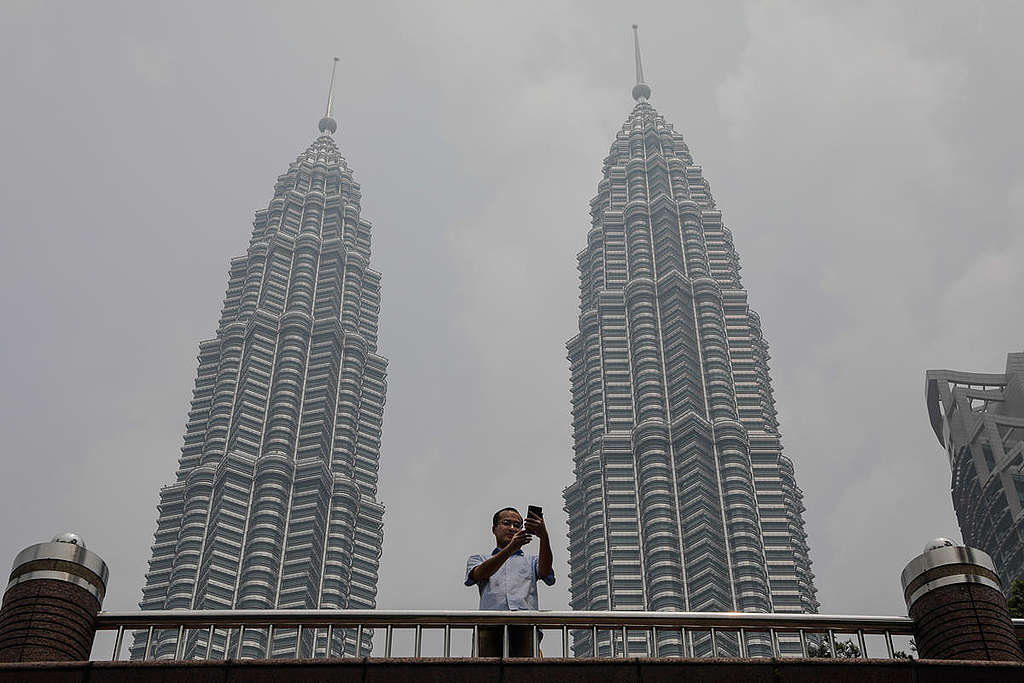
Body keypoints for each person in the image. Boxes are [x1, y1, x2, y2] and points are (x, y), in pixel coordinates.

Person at [464, 506, 555, 657]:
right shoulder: (479, 559)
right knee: (484, 673)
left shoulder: (531, 561)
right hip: (489, 627)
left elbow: (546, 572)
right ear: (494, 529)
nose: (512, 528)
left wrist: (543, 536)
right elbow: (479, 574)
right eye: (507, 523)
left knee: (528, 673)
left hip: (526, 626)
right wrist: (511, 548)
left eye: (517, 525)